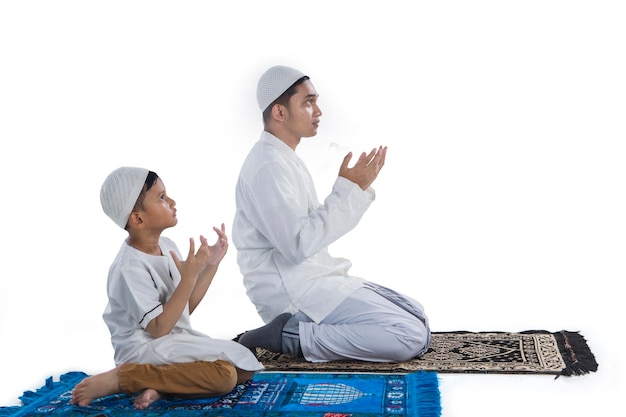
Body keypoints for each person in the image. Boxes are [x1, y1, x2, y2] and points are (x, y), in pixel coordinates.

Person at [233, 65, 431, 363]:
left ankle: (303, 333)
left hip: (315, 278)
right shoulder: (268, 167)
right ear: (279, 112)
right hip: (293, 292)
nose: (319, 111)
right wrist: (348, 190)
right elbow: (297, 245)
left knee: (416, 314)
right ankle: (290, 335)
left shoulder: (282, 158)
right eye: (308, 102)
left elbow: (306, 237)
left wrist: (353, 191)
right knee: (410, 336)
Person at [71, 167, 263, 409]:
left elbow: (181, 311)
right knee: (224, 377)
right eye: (161, 197)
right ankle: (123, 378)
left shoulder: (167, 245)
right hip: (143, 351)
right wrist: (188, 277)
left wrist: (211, 265)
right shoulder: (128, 268)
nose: (172, 201)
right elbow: (159, 329)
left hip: (170, 342)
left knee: (244, 367)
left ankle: (159, 386)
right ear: (138, 219)